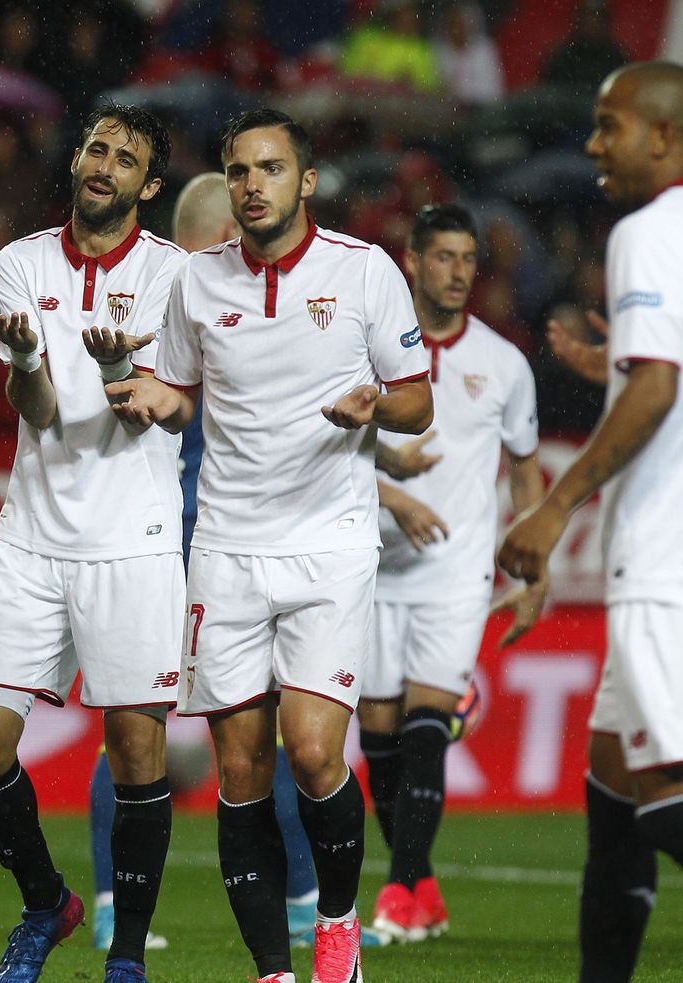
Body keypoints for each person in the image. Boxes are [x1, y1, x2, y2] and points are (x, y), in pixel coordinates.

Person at [108, 108, 433, 983]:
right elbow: (178, 395)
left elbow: (416, 402)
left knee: (316, 750)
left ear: (308, 180)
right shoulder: (196, 283)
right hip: (226, 549)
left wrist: (375, 404)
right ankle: (272, 972)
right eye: (240, 170)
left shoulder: (366, 273)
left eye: (271, 168)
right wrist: (132, 392)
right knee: (241, 769)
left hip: (329, 544)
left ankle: (337, 923)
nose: (254, 184)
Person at [497, 61, 683, 981]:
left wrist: (555, 507)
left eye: (609, 124)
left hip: (676, 546)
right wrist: (627, 371)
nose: (594, 144)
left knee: (671, 799)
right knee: (612, 788)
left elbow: (664, 389)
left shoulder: (650, 231)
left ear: (664, 135)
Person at [0, 103, 185, 983]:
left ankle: (126, 959)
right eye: (97, 147)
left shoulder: (174, 277)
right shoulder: (19, 262)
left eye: (127, 158)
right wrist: (22, 362)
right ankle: (47, 902)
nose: (106, 164)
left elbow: (149, 413)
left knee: (136, 753)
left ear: (148, 187)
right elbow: (42, 410)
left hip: (134, 541)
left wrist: (123, 369)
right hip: (33, 539)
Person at [358, 202, 545, 943]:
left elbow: (527, 473)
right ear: (412, 261)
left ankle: (399, 893)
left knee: (425, 725)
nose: (459, 271)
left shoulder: (504, 363)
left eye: (468, 258)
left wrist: (532, 572)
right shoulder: (368, 352)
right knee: (378, 734)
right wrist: (392, 495)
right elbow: (320, 446)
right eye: (443, 257)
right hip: (371, 560)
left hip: (457, 570)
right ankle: (422, 885)